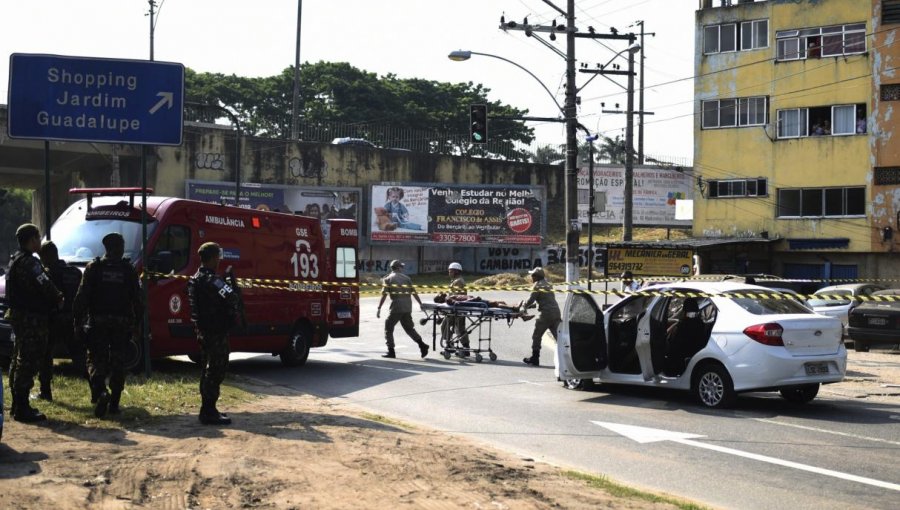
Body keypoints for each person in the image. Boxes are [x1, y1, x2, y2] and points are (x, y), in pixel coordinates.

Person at [73, 232, 142, 418]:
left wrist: (77, 322)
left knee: (95, 360)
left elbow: (82, 297)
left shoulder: (93, 268)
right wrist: (140, 324)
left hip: (98, 323)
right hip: (121, 324)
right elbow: (138, 299)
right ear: (119, 247)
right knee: (118, 362)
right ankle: (114, 404)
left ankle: (101, 392)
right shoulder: (128, 269)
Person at [5, 223, 62, 423]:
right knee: (28, 361)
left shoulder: (15, 260)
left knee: (18, 359)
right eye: (38, 238)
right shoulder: (31, 263)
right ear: (32, 240)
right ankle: (22, 407)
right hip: (32, 320)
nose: (40, 241)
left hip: (20, 317)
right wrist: (58, 298)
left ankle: (17, 404)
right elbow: (47, 287)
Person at [187, 242, 243, 426]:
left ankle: (208, 409)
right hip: (216, 331)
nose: (219, 261)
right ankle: (209, 411)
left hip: (203, 329)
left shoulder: (196, 278)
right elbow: (232, 297)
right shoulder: (213, 280)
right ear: (211, 258)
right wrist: (231, 284)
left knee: (207, 369)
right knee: (216, 369)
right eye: (217, 257)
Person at [38, 240, 85, 401]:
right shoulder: (74, 272)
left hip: (53, 320)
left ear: (46, 256)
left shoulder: (47, 274)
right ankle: (97, 390)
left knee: (46, 356)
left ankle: (45, 392)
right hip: (72, 319)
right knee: (79, 356)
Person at [377, 260, 429, 359]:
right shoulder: (407, 278)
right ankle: (422, 345)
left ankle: (391, 351)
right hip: (407, 306)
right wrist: (420, 303)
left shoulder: (388, 279)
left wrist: (379, 308)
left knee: (388, 328)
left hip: (396, 306)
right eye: (401, 267)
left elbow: (384, 295)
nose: (402, 268)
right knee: (409, 328)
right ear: (397, 268)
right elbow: (414, 292)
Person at [520, 267, 560, 367]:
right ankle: (565, 357)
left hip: (545, 314)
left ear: (537, 277)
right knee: (559, 337)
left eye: (532, 275)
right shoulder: (548, 284)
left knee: (536, 336)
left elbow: (530, 300)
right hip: (556, 313)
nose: (531, 277)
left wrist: (523, 306)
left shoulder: (537, 286)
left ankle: (535, 358)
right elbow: (544, 299)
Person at [443, 262, 471, 355]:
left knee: (451, 326)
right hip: (456, 307)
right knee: (457, 327)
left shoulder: (458, 281)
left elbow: (457, 296)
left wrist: (447, 298)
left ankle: (454, 346)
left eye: (450, 271)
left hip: (458, 307)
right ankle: (456, 346)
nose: (449, 273)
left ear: (456, 271)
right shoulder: (455, 280)